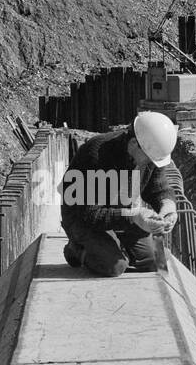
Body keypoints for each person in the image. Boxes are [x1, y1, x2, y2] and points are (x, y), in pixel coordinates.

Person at [60, 111, 182, 277]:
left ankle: (118, 245)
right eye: (149, 159)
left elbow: (158, 188)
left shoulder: (149, 151)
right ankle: (76, 249)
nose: (151, 164)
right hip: (82, 217)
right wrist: (133, 216)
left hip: (121, 213)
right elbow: (90, 214)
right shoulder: (96, 154)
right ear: (133, 143)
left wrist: (167, 206)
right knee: (114, 266)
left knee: (159, 260)